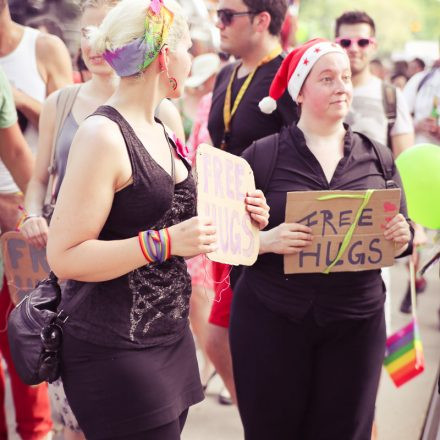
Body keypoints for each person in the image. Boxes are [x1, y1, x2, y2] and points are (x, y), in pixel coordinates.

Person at [46, 0, 268, 439]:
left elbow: (175, 216)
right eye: (187, 47)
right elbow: (65, 255)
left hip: (170, 340)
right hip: (115, 349)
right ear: (165, 56)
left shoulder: (161, 124)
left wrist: (243, 213)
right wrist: (164, 243)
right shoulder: (102, 135)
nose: (193, 58)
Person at [230, 38, 413, 440]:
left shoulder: (378, 157)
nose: (341, 87)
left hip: (356, 324)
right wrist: (267, 241)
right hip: (272, 321)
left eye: (345, 77)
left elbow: (403, 229)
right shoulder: (260, 157)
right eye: (327, 79)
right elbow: (221, 238)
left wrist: (403, 235)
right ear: (299, 91)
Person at [206, 0, 297, 404]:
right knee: (218, 339)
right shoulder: (226, 72)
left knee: (252, 343)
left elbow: (303, 152)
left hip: (268, 231)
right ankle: (261, 419)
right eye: (217, 15)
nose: (219, 24)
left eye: (227, 16)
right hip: (224, 229)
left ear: (262, 21)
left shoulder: (290, 74)